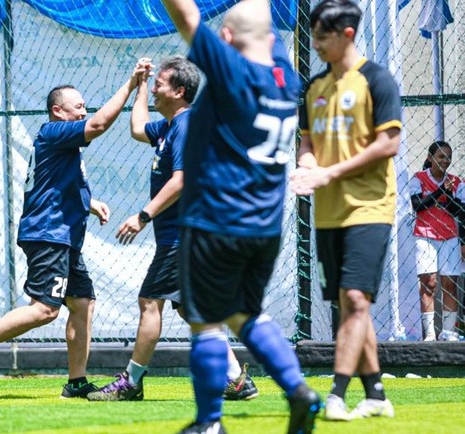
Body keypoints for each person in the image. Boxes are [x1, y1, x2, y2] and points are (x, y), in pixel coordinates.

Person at [161, 1, 321, 433]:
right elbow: (262, 28)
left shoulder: (232, 71)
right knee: (245, 313)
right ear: (270, 40)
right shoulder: (286, 78)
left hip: (216, 219)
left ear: (227, 38)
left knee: (205, 322)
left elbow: (186, 16)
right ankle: (299, 392)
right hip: (263, 227)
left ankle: (209, 423)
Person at [0, 62, 149, 398]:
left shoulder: (63, 145)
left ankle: (76, 383)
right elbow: (98, 125)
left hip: (64, 237)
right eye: (78, 107)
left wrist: (89, 203)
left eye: (85, 106)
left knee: (83, 304)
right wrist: (130, 86)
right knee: (44, 309)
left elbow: (52, 184)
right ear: (58, 111)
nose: (84, 112)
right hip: (48, 234)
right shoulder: (54, 132)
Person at [87, 55, 258, 402]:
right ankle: (236, 379)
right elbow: (138, 128)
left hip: (183, 236)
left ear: (179, 91)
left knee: (150, 301)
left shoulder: (186, 125)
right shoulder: (168, 127)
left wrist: (143, 216)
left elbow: (182, 180)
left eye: (159, 84)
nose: (154, 90)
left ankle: (131, 382)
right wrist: (138, 84)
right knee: (192, 311)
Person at [290, 0, 401, 422]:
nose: (315, 44)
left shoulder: (377, 79)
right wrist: (306, 166)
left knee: (354, 297)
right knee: (351, 304)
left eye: (322, 36)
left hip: (370, 207)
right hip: (328, 213)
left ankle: (336, 394)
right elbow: (307, 143)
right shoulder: (314, 88)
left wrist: (329, 172)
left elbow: (388, 144)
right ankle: (376, 394)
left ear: (347, 34)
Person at [410, 141, 464, 341]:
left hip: (449, 236)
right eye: (441, 156)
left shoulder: (456, 182)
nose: (445, 160)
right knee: (429, 283)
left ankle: (449, 332)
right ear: (430, 158)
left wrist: (446, 194)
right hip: (425, 235)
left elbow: (458, 210)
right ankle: (430, 333)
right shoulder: (418, 178)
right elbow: (418, 205)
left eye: (448, 157)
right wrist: (442, 192)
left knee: (450, 284)